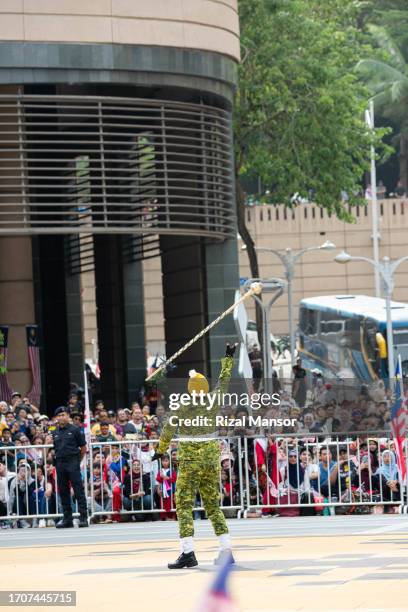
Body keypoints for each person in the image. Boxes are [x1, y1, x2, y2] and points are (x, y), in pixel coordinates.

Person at [153, 343, 236, 569]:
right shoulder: (213, 401)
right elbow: (224, 380)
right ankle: (225, 548)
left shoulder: (183, 406)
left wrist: (160, 450)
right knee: (212, 505)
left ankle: (187, 551)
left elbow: (169, 429)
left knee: (184, 503)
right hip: (211, 460)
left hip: (190, 462)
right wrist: (228, 356)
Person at [52, 407, 88, 528]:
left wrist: (77, 461)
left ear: (68, 416)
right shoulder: (55, 431)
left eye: (63, 415)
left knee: (78, 490)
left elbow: (83, 448)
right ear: (56, 418)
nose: (61, 417)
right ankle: (67, 519)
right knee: (63, 491)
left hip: (73, 461)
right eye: (59, 415)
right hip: (60, 463)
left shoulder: (75, 429)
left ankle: (83, 517)